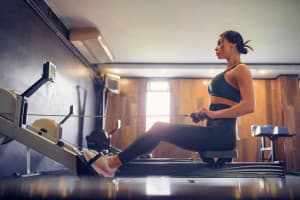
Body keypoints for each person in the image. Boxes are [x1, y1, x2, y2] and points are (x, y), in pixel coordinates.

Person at [83, 30, 255, 177]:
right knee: (159, 129)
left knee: (159, 128)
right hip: (213, 131)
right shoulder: (228, 71)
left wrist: (213, 114)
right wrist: (205, 114)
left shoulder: (241, 69)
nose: (216, 48)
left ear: (232, 45)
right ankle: (111, 164)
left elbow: (248, 106)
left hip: (221, 136)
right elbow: (222, 105)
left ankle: (110, 165)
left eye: (220, 43)